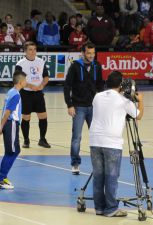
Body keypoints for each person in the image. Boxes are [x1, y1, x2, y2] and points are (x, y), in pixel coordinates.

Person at [89, 71, 144, 217]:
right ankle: (111, 209)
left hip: (94, 140)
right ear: (121, 85)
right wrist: (140, 100)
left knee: (98, 176)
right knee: (111, 177)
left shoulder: (97, 96)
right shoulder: (124, 101)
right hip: (112, 143)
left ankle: (99, 208)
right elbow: (138, 115)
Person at [64, 42, 104, 175]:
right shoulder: (75, 66)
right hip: (79, 107)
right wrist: (69, 105)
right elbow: (67, 86)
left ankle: (98, 164)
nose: (91, 56)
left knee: (97, 136)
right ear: (82, 53)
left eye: (93, 53)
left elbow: (100, 85)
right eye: (89, 53)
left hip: (94, 107)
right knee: (77, 137)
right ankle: (75, 163)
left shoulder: (97, 66)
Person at [0, 71, 27, 189]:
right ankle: (0, 179)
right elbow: (8, 112)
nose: (26, 82)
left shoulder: (10, 92)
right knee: (11, 152)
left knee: (14, 150)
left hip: (9, 124)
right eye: (25, 80)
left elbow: (5, 110)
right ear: (21, 81)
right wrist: (1, 127)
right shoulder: (16, 95)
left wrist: (2, 125)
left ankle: (3, 176)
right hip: (11, 124)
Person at [15, 41, 51, 148]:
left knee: (43, 116)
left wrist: (42, 85)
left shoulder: (40, 61)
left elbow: (46, 77)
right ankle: (26, 140)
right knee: (26, 117)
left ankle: (42, 139)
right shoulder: (20, 64)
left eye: (34, 49)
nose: (33, 52)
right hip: (26, 94)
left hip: (38, 93)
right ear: (25, 51)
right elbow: (18, 81)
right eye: (30, 49)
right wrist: (30, 86)